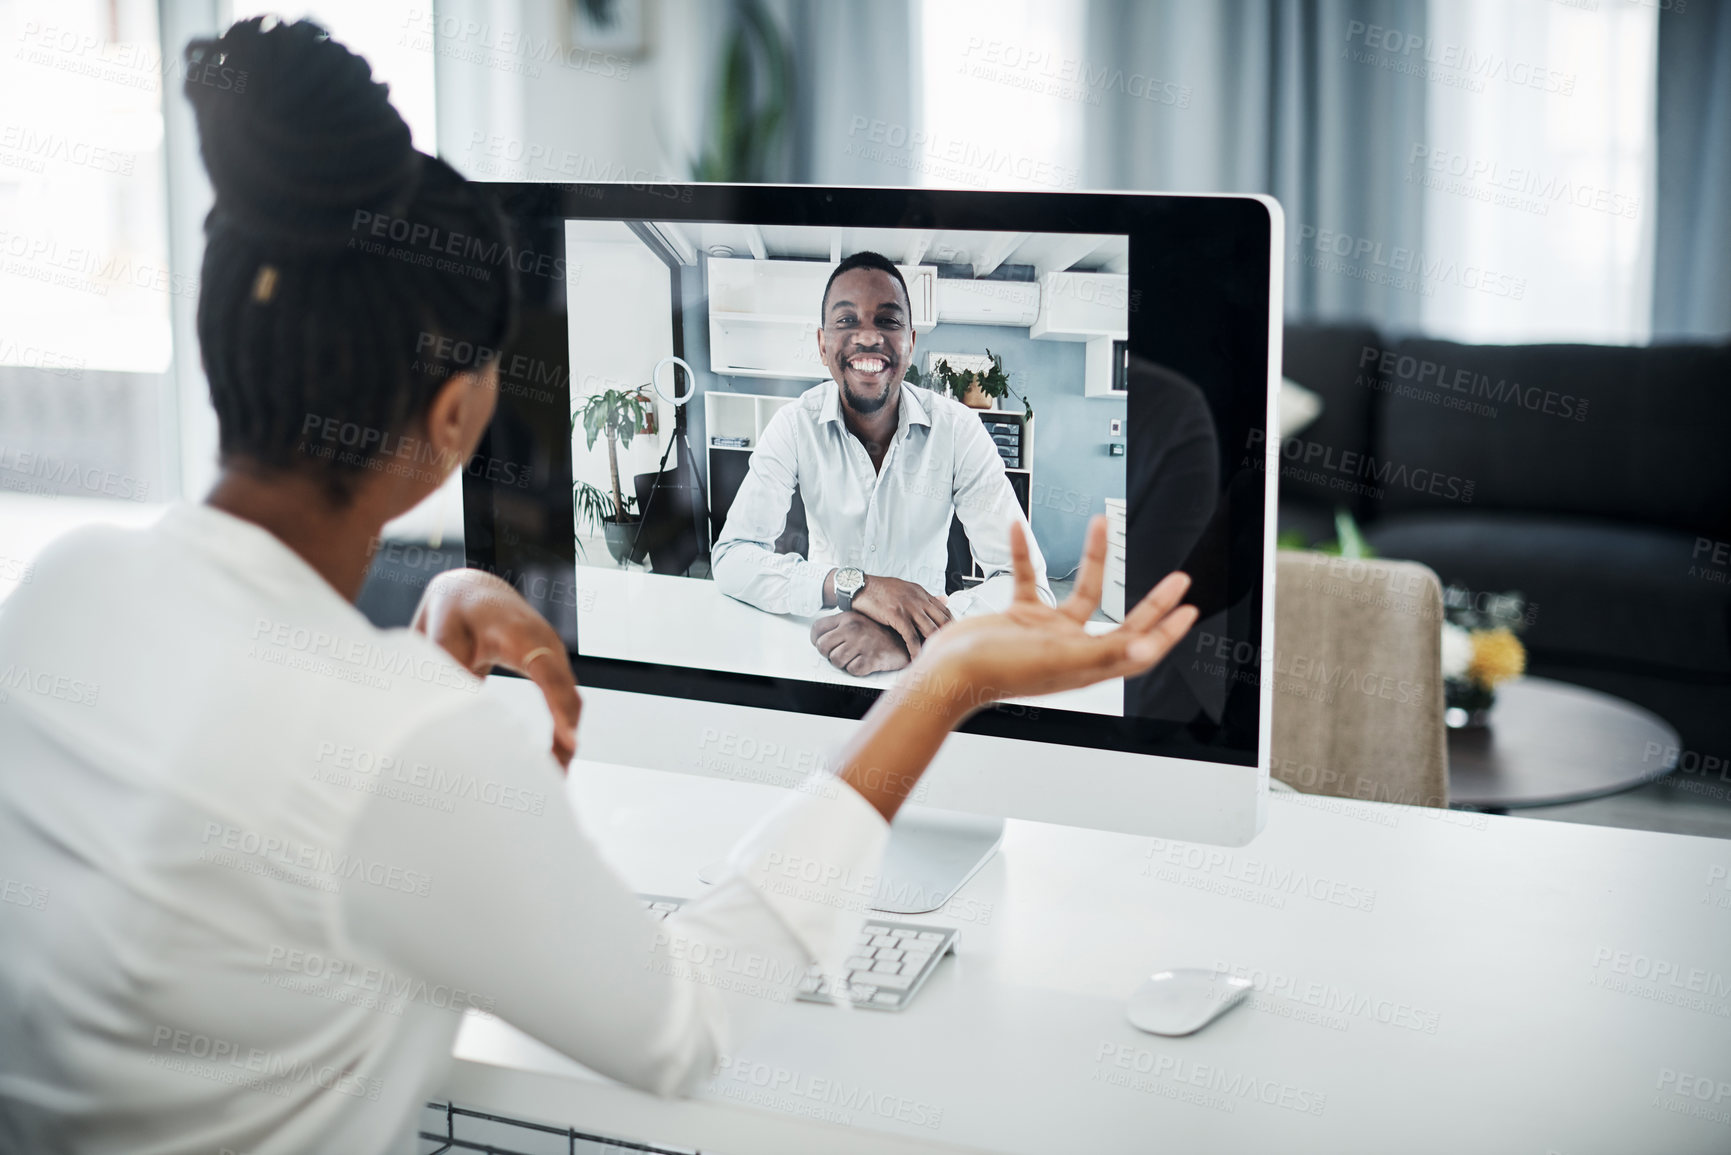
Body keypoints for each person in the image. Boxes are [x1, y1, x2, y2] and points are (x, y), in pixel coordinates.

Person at [0, 20, 1197, 1155]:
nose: (868, 333)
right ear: (457, 413)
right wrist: (945, 686)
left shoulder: (64, 587)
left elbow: (262, 853)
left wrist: (417, 667)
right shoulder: (414, 748)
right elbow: (679, 1027)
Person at [711, 251, 1054, 677]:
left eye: (888, 321)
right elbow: (731, 558)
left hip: (927, 665)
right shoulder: (793, 425)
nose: (868, 337)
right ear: (822, 344)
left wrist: (911, 636)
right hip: (826, 647)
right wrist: (856, 586)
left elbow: (1032, 590)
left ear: (910, 343)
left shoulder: (959, 430)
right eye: (846, 321)